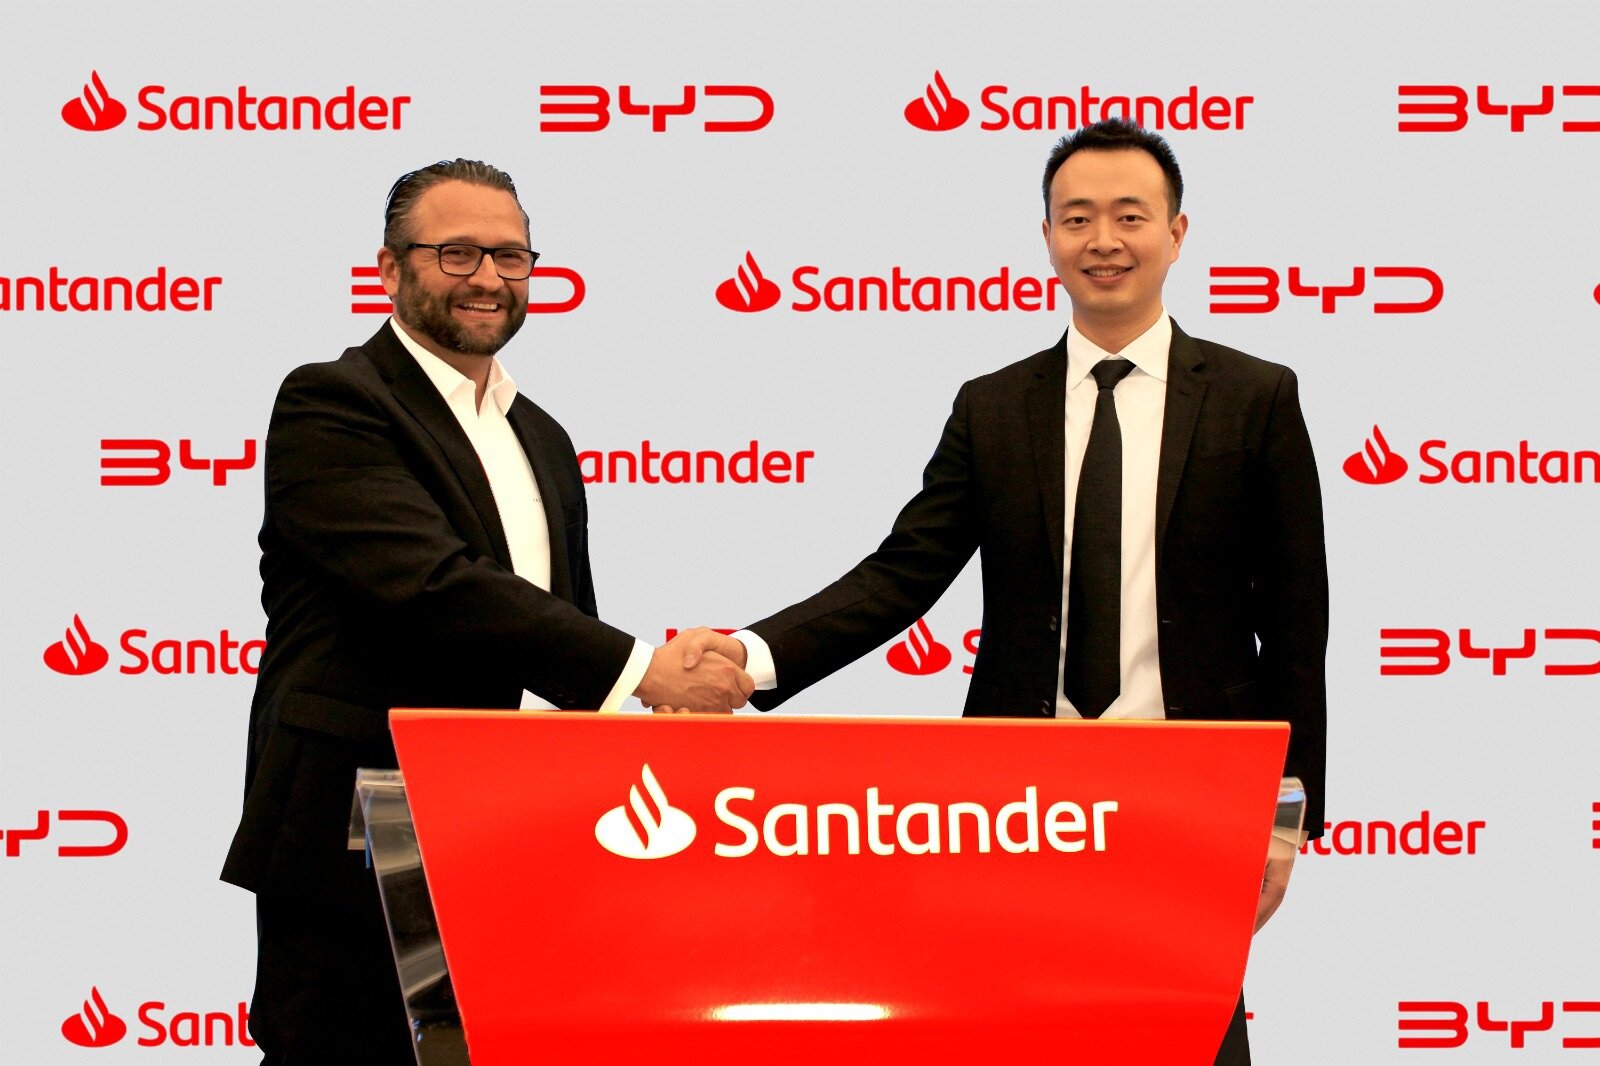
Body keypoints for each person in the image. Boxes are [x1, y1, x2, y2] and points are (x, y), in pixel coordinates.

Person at [674, 120, 1329, 1065]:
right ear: (1049, 238)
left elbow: (1297, 626)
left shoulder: (1254, 396)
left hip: (1192, 800)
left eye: (1130, 216)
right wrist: (753, 656)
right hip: (1019, 803)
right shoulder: (993, 405)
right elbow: (902, 573)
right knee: (1018, 1038)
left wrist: (1287, 813)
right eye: (1077, 218)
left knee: (1191, 1042)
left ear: (1177, 235)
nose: (1103, 240)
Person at [221, 159, 753, 1061]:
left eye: (511, 257)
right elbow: (433, 584)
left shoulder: (538, 432)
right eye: (457, 252)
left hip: (513, 836)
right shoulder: (334, 400)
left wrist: (641, 703)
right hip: (363, 835)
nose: (488, 279)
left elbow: (554, 616)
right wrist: (643, 668)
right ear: (390, 270)